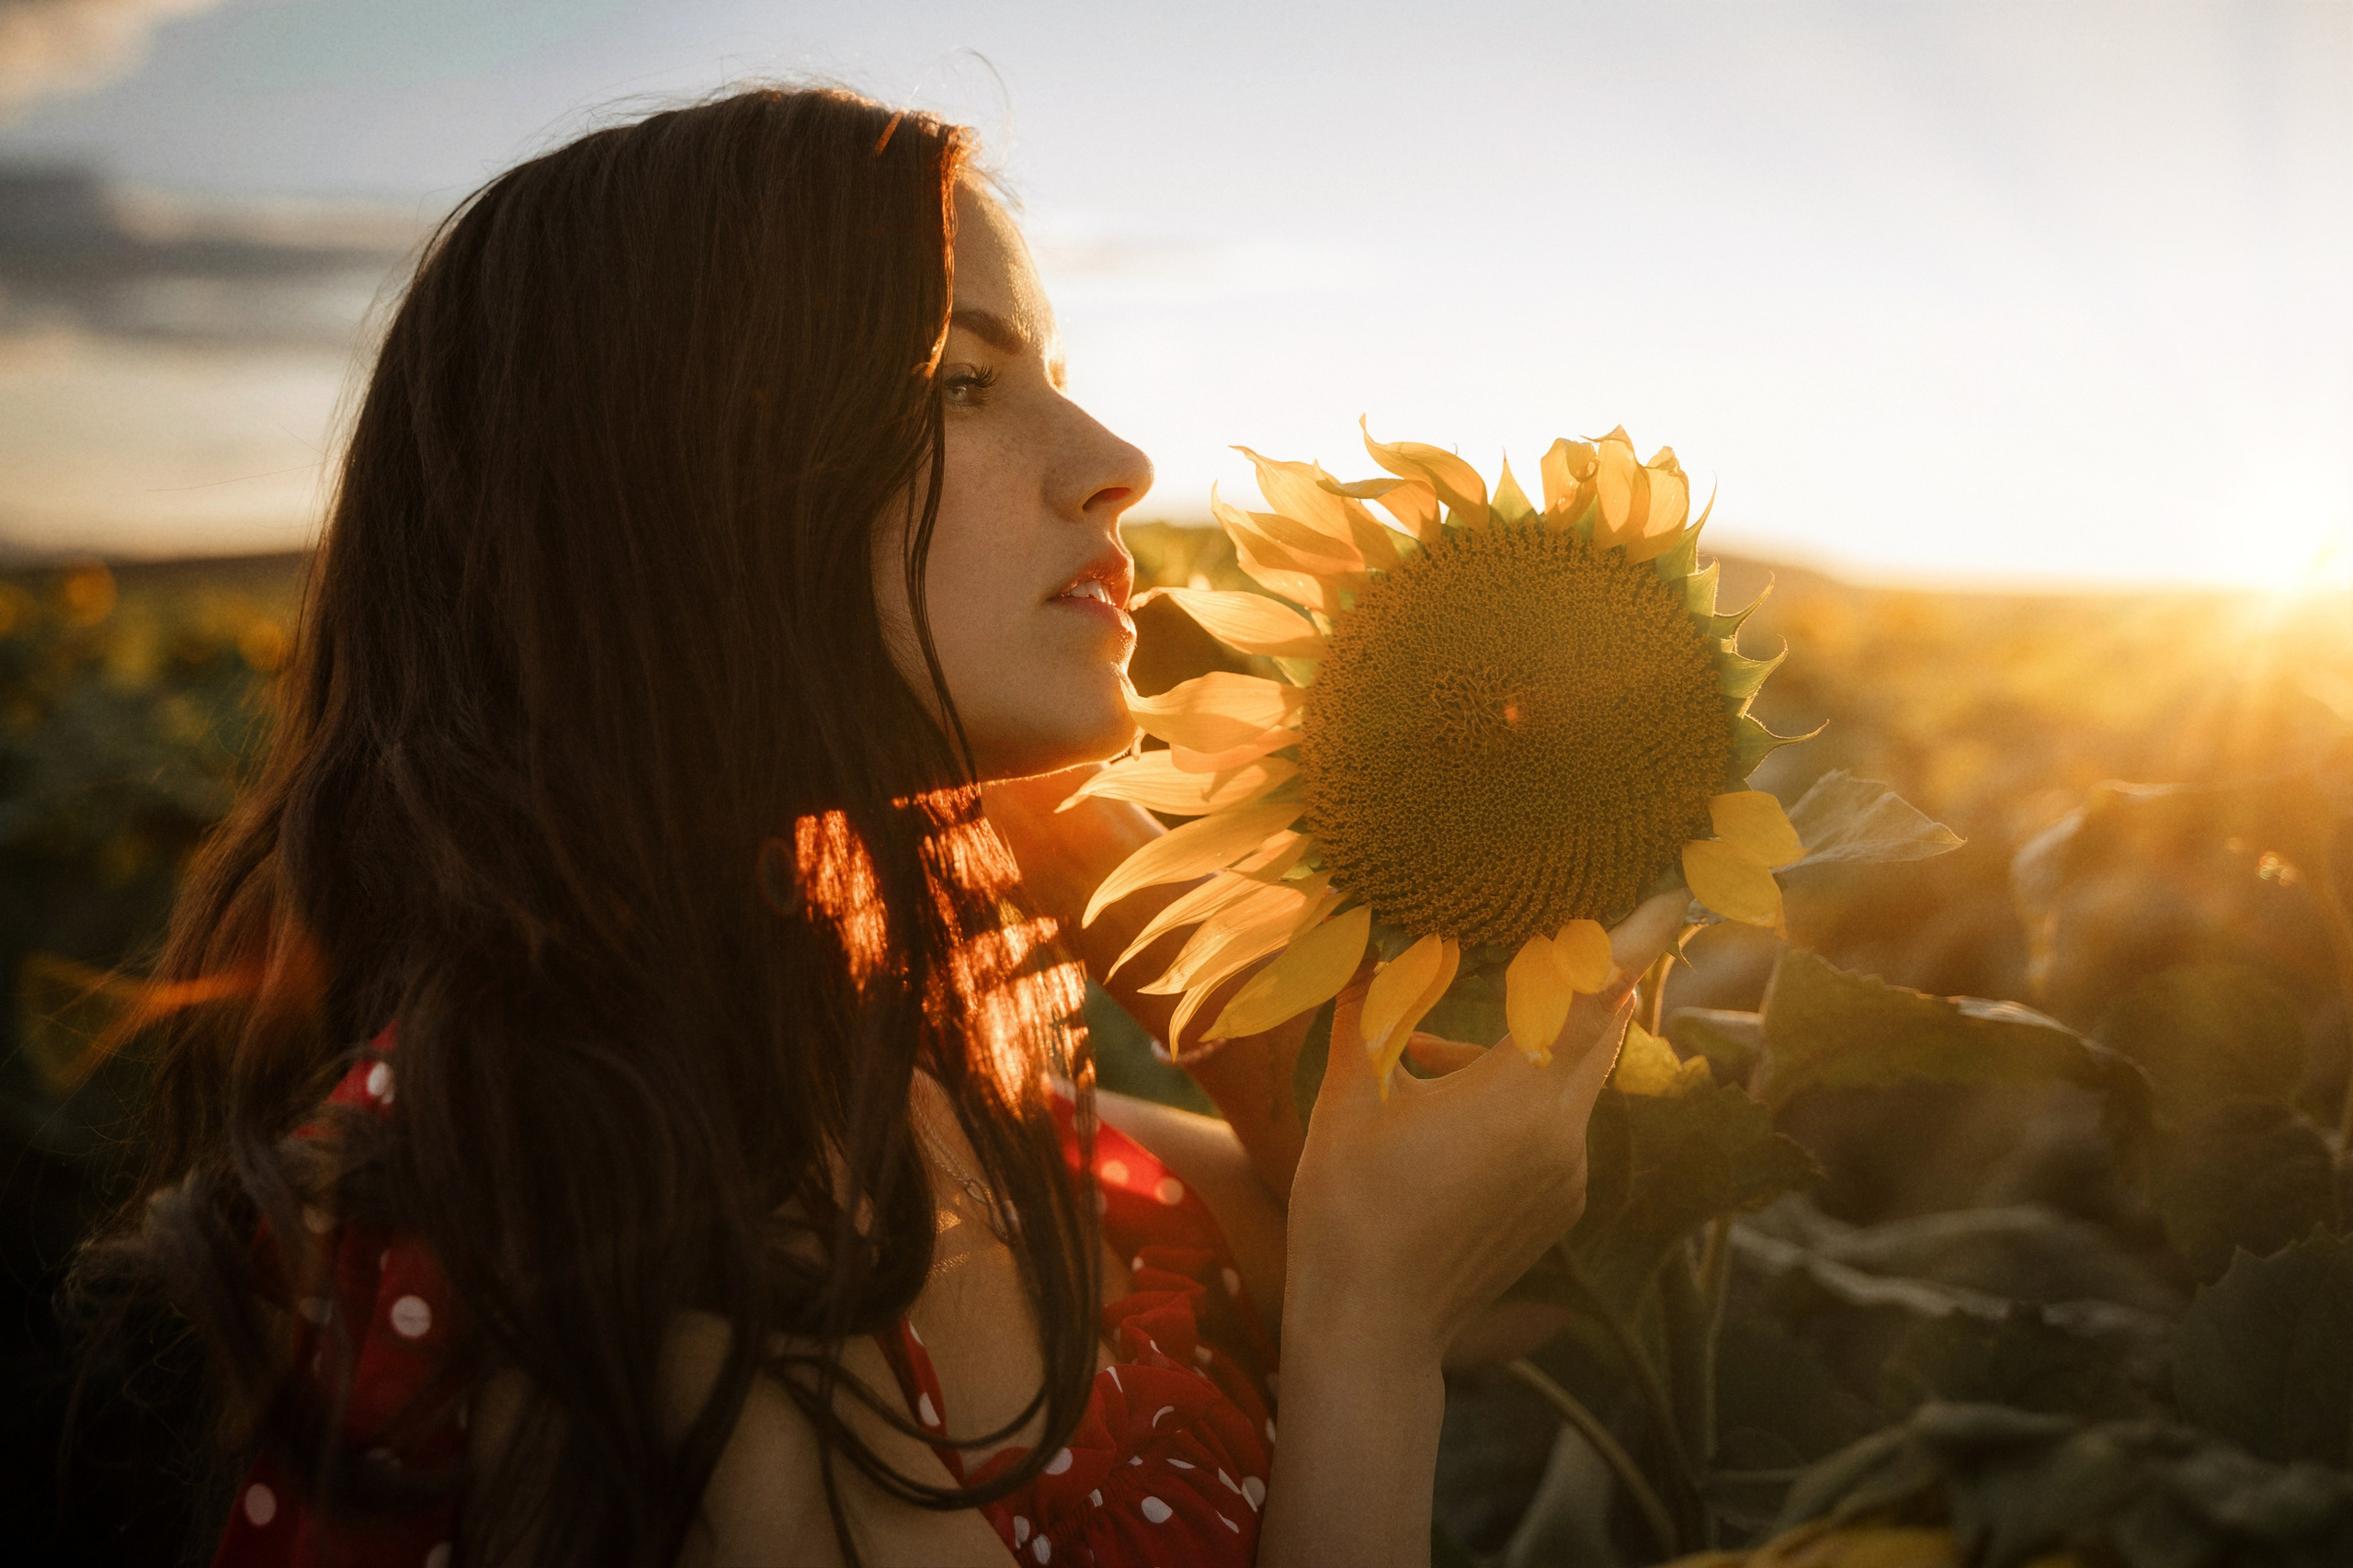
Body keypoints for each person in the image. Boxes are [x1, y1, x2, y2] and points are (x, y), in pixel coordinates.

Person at [74, 85, 1680, 1567]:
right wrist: (1371, 1336)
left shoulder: (892, 1064)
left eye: (1051, 371)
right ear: (682, 486)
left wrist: (1179, 929)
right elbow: (1400, 1286)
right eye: (960, 383)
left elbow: (1529, 1279)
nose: (1116, 466)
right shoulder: (583, 1196)